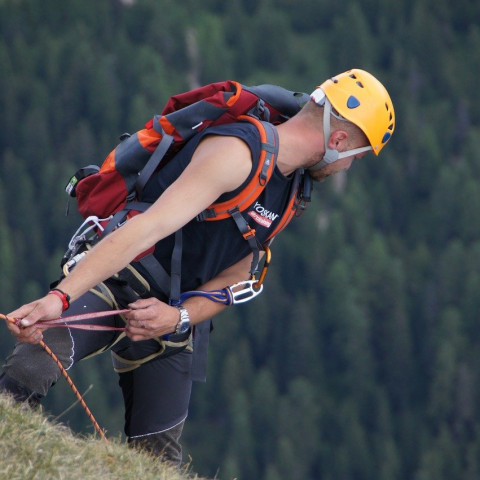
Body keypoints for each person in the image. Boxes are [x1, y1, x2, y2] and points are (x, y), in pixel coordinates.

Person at [0, 69, 395, 466]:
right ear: (338, 140)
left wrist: (177, 317)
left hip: (172, 320)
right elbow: (147, 228)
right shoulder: (238, 153)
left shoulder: (294, 188)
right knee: (33, 362)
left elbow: (241, 274)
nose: (348, 167)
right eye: (355, 157)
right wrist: (60, 297)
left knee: (159, 464)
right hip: (121, 279)